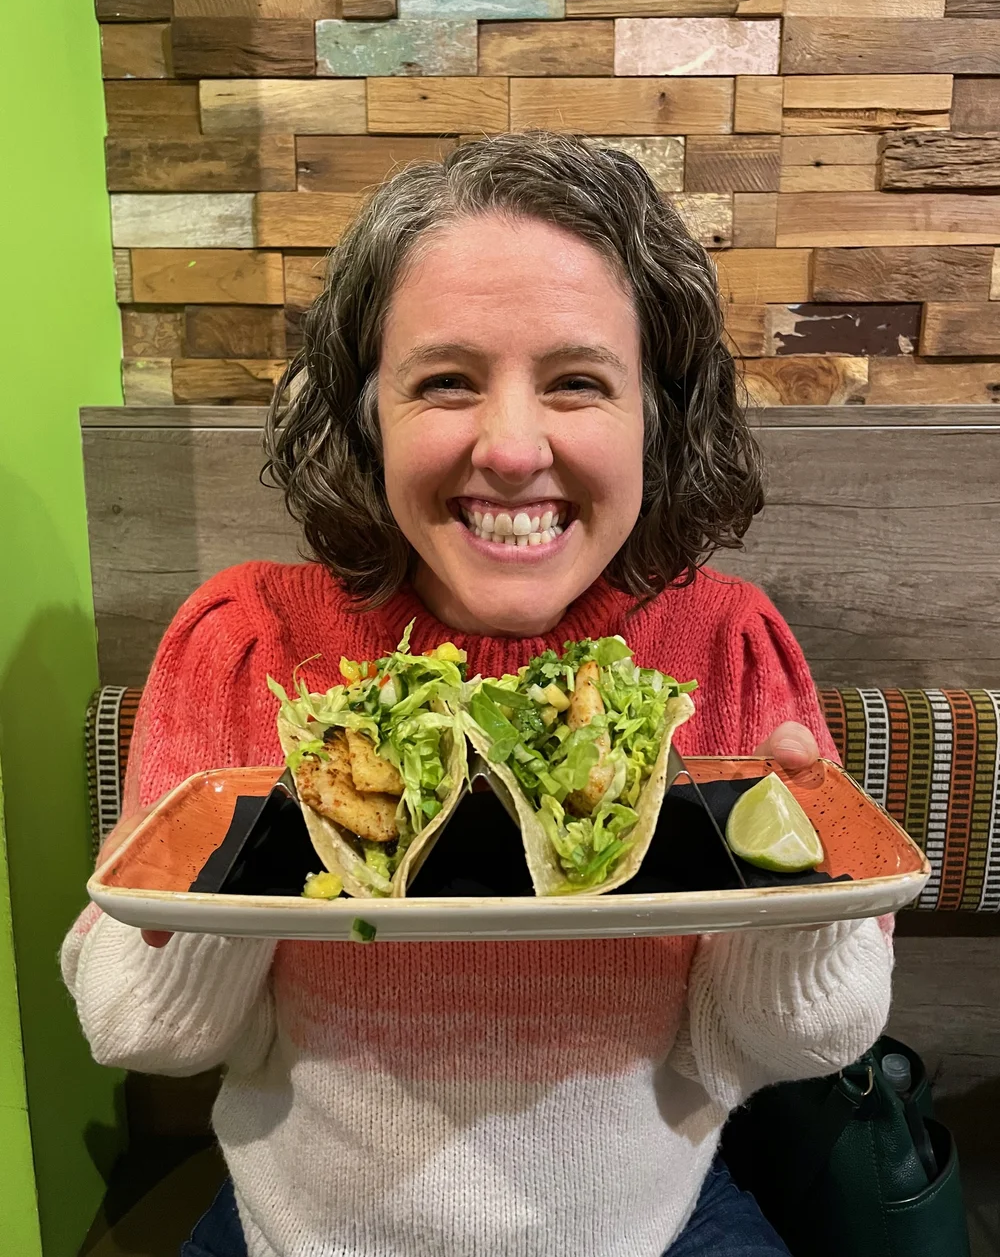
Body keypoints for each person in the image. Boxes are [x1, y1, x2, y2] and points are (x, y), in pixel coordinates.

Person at [63, 131, 893, 1257]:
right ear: (368, 412)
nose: (509, 448)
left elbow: (801, 1040)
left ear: (655, 415)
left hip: (652, 1227)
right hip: (301, 1233)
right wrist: (251, 835)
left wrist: (795, 901)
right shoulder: (251, 642)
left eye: (577, 382)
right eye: (446, 380)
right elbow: (136, 1026)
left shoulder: (722, 645)